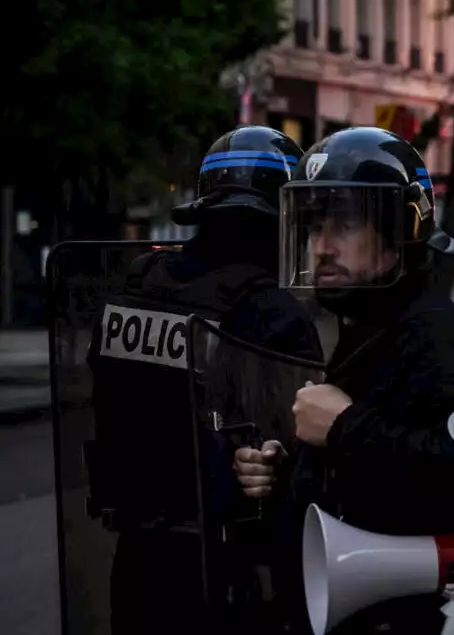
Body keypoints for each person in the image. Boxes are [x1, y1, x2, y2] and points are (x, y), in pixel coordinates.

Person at [231, 126, 454, 634]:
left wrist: (343, 427)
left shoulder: (436, 334)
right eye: (314, 229)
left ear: (399, 232)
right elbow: (369, 475)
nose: (321, 247)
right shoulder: (371, 328)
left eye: (343, 227)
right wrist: (284, 474)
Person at [86, 125, 325, 635]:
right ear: (284, 217)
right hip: (230, 573)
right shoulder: (272, 313)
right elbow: (300, 461)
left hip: (135, 561)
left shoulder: (134, 289)